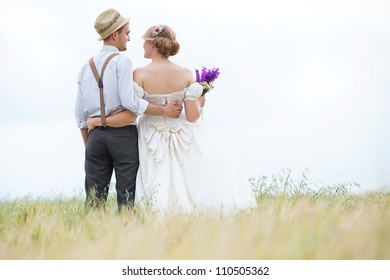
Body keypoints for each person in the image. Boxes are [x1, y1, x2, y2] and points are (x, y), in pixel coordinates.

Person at [88, 24, 256, 213]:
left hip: (150, 135)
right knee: (186, 177)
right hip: (182, 133)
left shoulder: (139, 74)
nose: (142, 45)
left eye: (145, 42)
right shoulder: (185, 74)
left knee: (156, 178)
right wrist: (200, 101)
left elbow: (135, 108)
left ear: (152, 44)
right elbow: (192, 117)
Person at [75, 10, 182, 212]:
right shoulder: (122, 62)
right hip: (122, 136)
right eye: (127, 33)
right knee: (126, 196)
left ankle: (91, 238)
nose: (129, 38)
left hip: (94, 136)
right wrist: (163, 110)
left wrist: (90, 145)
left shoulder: (85, 67)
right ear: (115, 34)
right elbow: (130, 102)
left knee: (94, 200)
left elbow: (80, 113)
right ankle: (127, 236)